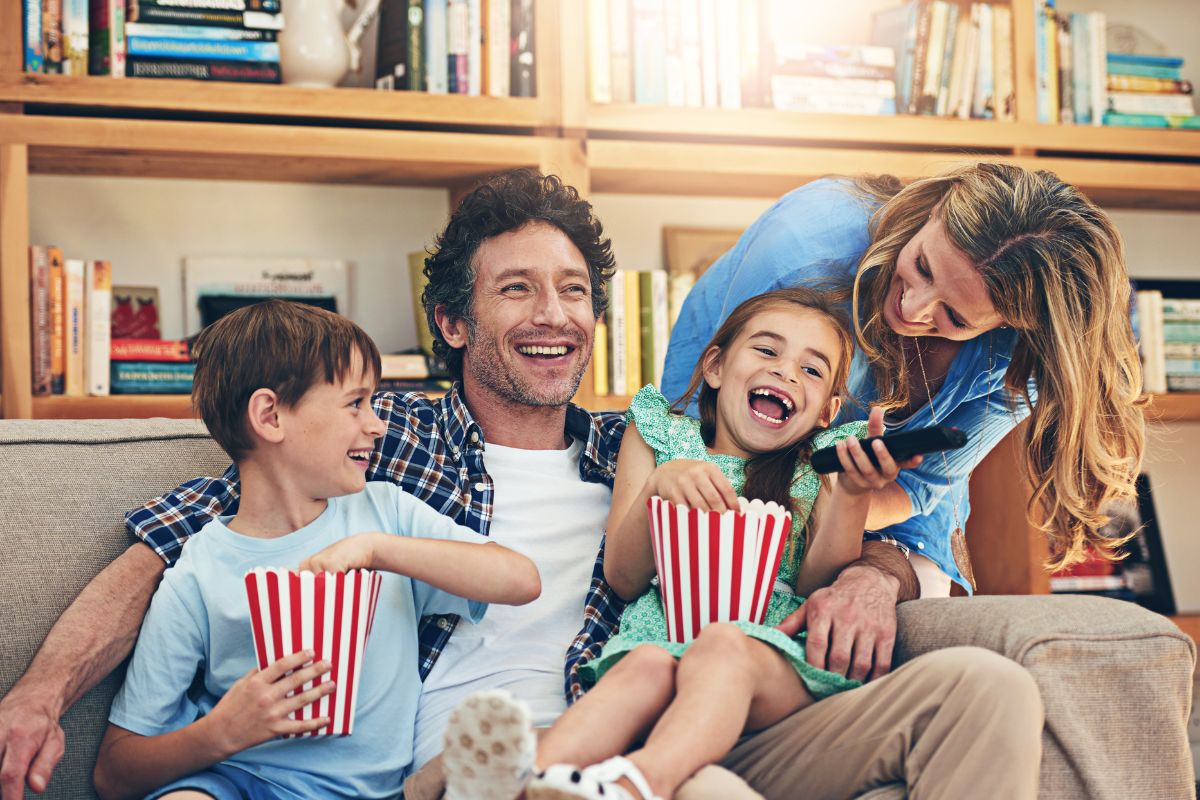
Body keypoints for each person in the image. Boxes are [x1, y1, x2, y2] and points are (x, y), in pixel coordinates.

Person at [442, 288, 926, 800]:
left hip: (771, 655)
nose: (786, 372)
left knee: (721, 650)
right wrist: (658, 489)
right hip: (667, 635)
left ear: (827, 411)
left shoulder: (818, 465)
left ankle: (636, 783)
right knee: (643, 667)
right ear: (715, 367)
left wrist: (852, 494)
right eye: (767, 351)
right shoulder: (661, 438)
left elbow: (816, 585)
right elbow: (624, 579)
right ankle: (516, 781)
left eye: (811, 370)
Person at [91, 300, 541, 799]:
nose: (377, 424)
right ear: (270, 416)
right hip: (238, 782)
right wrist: (222, 732)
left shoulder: (385, 516)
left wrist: (379, 551)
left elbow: (519, 579)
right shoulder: (197, 574)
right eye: (355, 403)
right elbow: (114, 773)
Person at [663, 163, 1145, 600]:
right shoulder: (804, 250)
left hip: (858, 504)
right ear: (936, 210)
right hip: (723, 444)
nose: (912, 310)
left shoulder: (1022, 360)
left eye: (954, 316)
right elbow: (715, 433)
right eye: (922, 266)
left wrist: (846, 511)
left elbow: (918, 489)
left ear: (1008, 324)